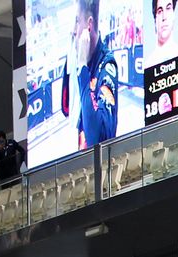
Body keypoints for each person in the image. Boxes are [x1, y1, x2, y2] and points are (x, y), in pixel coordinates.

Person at [71, 0, 119, 150]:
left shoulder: (107, 66)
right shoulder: (88, 64)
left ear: (89, 25)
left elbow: (97, 139)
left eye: (77, 21)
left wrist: (82, 67)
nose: (73, 31)